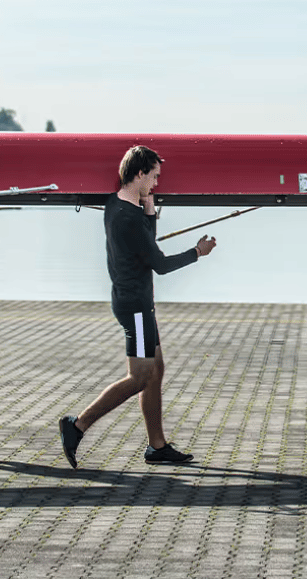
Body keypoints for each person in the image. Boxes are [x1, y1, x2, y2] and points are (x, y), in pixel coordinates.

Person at [59, 145, 217, 468]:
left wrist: (149, 210)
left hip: (132, 301)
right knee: (141, 376)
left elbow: (147, 245)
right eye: (154, 177)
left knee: (156, 369)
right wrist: (197, 253)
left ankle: (157, 447)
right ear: (140, 173)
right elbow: (160, 263)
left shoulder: (116, 205)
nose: (157, 183)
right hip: (136, 308)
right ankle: (78, 425)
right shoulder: (127, 219)